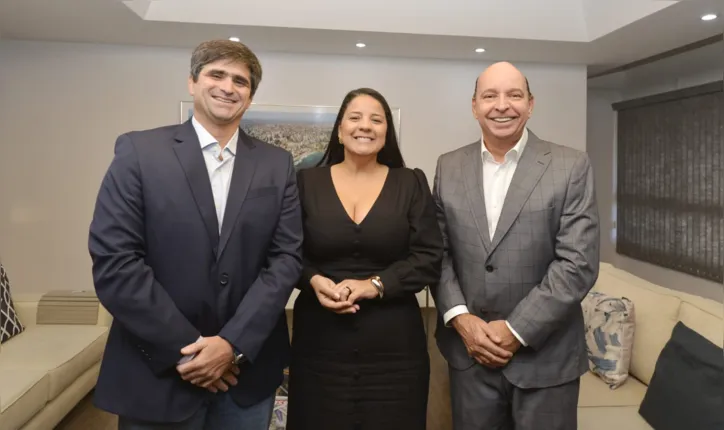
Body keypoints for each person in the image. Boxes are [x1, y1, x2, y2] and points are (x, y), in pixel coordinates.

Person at [88, 39, 303, 429]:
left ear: (249, 98)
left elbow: (286, 258)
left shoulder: (277, 164)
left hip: (246, 374)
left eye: (240, 81)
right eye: (216, 74)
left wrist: (232, 346)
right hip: (157, 370)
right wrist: (189, 351)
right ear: (192, 82)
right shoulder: (139, 151)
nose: (228, 86)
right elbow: (116, 262)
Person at [431, 61, 600, 430]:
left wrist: (516, 330)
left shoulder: (570, 166)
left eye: (514, 95)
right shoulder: (448, 167)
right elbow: (438, 254)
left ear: (531, 104)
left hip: (546, 360)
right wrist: (461, 319)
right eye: (490, 95)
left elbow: (577, 263)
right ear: (474, 105)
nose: (502, 105)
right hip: (469, 357)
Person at [286, 87, 444, 430]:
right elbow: (286, 252)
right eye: (355, 118)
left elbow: (430, 256)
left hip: (394, 350)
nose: (366, 126)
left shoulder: (411, 182)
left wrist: (375, 285)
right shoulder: (305, 183)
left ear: (386, 131)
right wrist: (313, 280)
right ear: (340, 130)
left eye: (377, 119)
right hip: (320, 345)